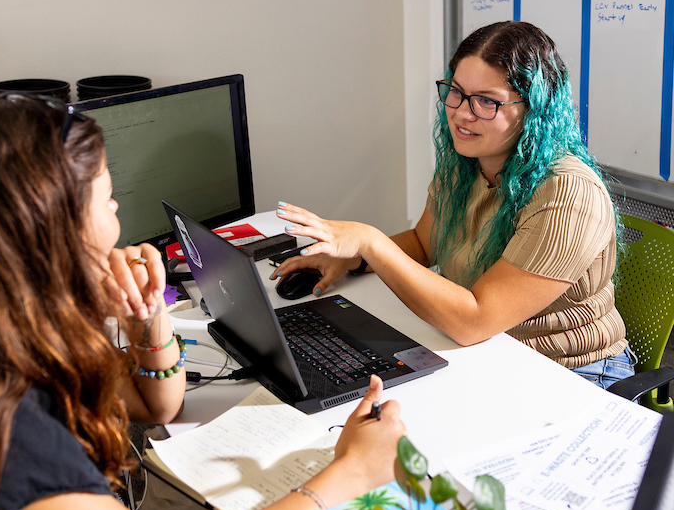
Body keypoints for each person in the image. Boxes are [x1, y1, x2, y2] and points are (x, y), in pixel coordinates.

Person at [0, 97, 405, 510]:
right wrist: (351, 473)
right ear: (53, 232)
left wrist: (148, 319)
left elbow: (155, 407)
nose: (117, 212)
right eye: (106, 198)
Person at [272, 21, 634, 388]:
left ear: (534, 110)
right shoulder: (467, 164)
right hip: (490, 351)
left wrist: (371, 241)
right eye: (457, 92)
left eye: (487, 101)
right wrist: (352, 258)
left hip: (573, 372)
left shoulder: (568, 194)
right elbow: (424, 243)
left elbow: (474, 321)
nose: (462, 112)